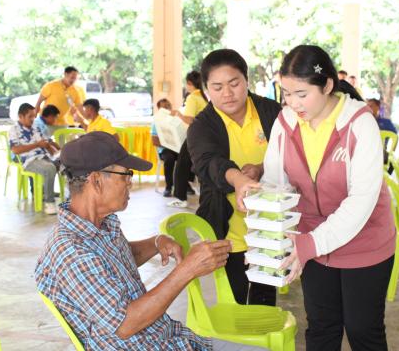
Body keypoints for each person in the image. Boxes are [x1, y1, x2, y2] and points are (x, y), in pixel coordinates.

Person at [35, 131, 265, 350]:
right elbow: (125, 324)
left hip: (170, 340)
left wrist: (156, 243)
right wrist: (187, 270)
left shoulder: (101, 224)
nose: (130, 183)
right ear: (96, 181)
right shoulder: (71, 250)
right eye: (126, 175)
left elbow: (117, 260)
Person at [235, 45, 395, 351]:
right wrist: (265, 233)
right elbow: (275, 182)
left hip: (365, 242)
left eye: (302, 94)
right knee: (321, 327)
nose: (292, 103)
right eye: (286, 93)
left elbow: (361, 201)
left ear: (328, 86)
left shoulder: (360, 124)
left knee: (364, 330)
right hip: (312, 243)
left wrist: (308, 243)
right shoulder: (285, 123)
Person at [187, 49, 282, 306]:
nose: (227, 93)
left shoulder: (271, 112)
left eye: (234, 83)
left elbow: (293, 154)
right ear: (206, 90)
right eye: (217, 87)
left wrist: (262, 168)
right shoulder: (202, 126)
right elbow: (208, 162)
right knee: (235, 300)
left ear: (246, 80)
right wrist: (238, 179)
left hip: (269, 225)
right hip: (227, 226)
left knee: (265, 300)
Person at [167, 71, 208, 208]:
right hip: (207, 135)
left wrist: (178, 114)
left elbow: (190, 119)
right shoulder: (205, 96)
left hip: (195, 134)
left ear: (190, 83)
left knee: (181, 165)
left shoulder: (193, 97)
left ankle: (180, 197)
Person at [9, 103, 60, 215]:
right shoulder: (14, 129)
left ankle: (73, 199)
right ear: (20, 116)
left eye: (34, 116)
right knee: (49, 168)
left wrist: (53, 148)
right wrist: (37, 145)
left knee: (67, 163)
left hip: (44, 156)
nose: (33, 119)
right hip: (29, 160)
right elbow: (16, 150)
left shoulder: (35, 127)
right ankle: (49, 203)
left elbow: (45, 141)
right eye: (30, 116)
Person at [151, 98, 180, 197]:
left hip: (178, 149)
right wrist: (168, 144)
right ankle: (168, 187)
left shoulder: (177, 120)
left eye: (168, 106)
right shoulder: (156, 122)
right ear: (159, 110)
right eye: (164, 107)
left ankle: (184, 185)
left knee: (187, 156)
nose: (167, 109)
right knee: (169, 158)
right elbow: (154, 140)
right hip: (165, 149)